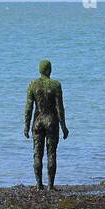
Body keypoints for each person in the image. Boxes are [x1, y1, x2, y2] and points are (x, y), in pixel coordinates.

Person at [23, 59, 68, 189]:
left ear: (40, 70)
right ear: (50, 70)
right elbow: (60, 108)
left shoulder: (32, 85)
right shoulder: (56, 85)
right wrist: (63, 126)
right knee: (51, 153)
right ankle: (50, 186)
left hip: (37, 122)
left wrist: (26, 126)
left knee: (37, 154)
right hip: (51, 122)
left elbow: (28, 108)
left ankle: (38, 185)